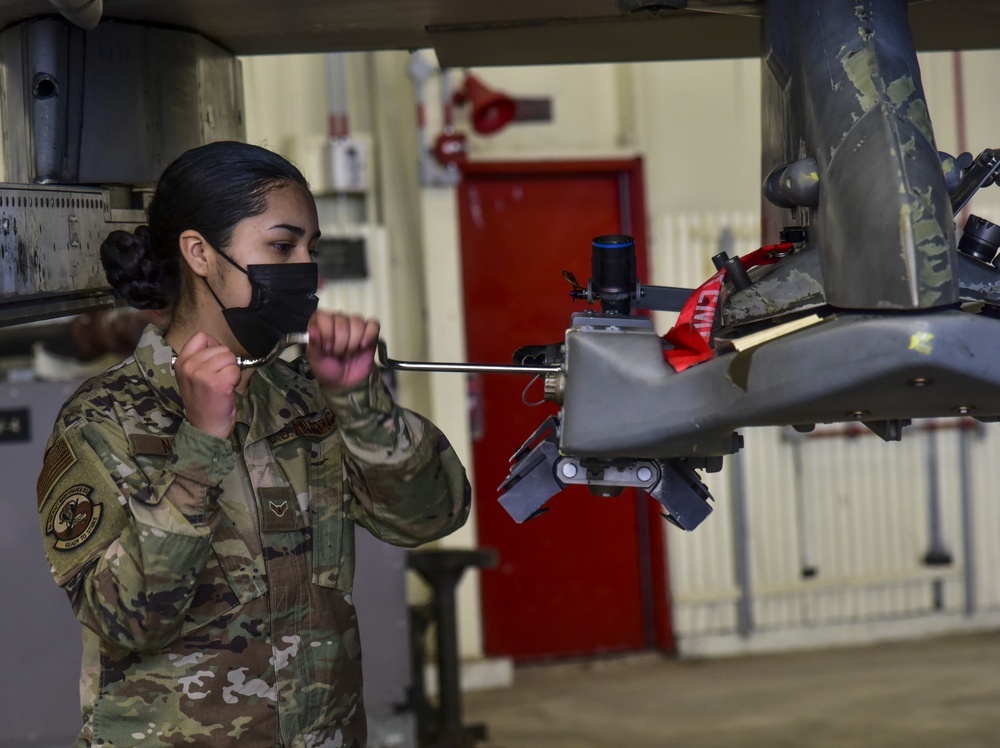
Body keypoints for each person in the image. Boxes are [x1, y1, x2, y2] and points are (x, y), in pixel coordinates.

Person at [35, 141, 471, 747]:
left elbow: (429, 517)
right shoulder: (106, 417)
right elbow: (129, 618)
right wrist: (201, 442)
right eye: (281, 245)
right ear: (200, 254)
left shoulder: (303, 392)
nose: (303, 267)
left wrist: (359, 404)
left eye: (310, 250)